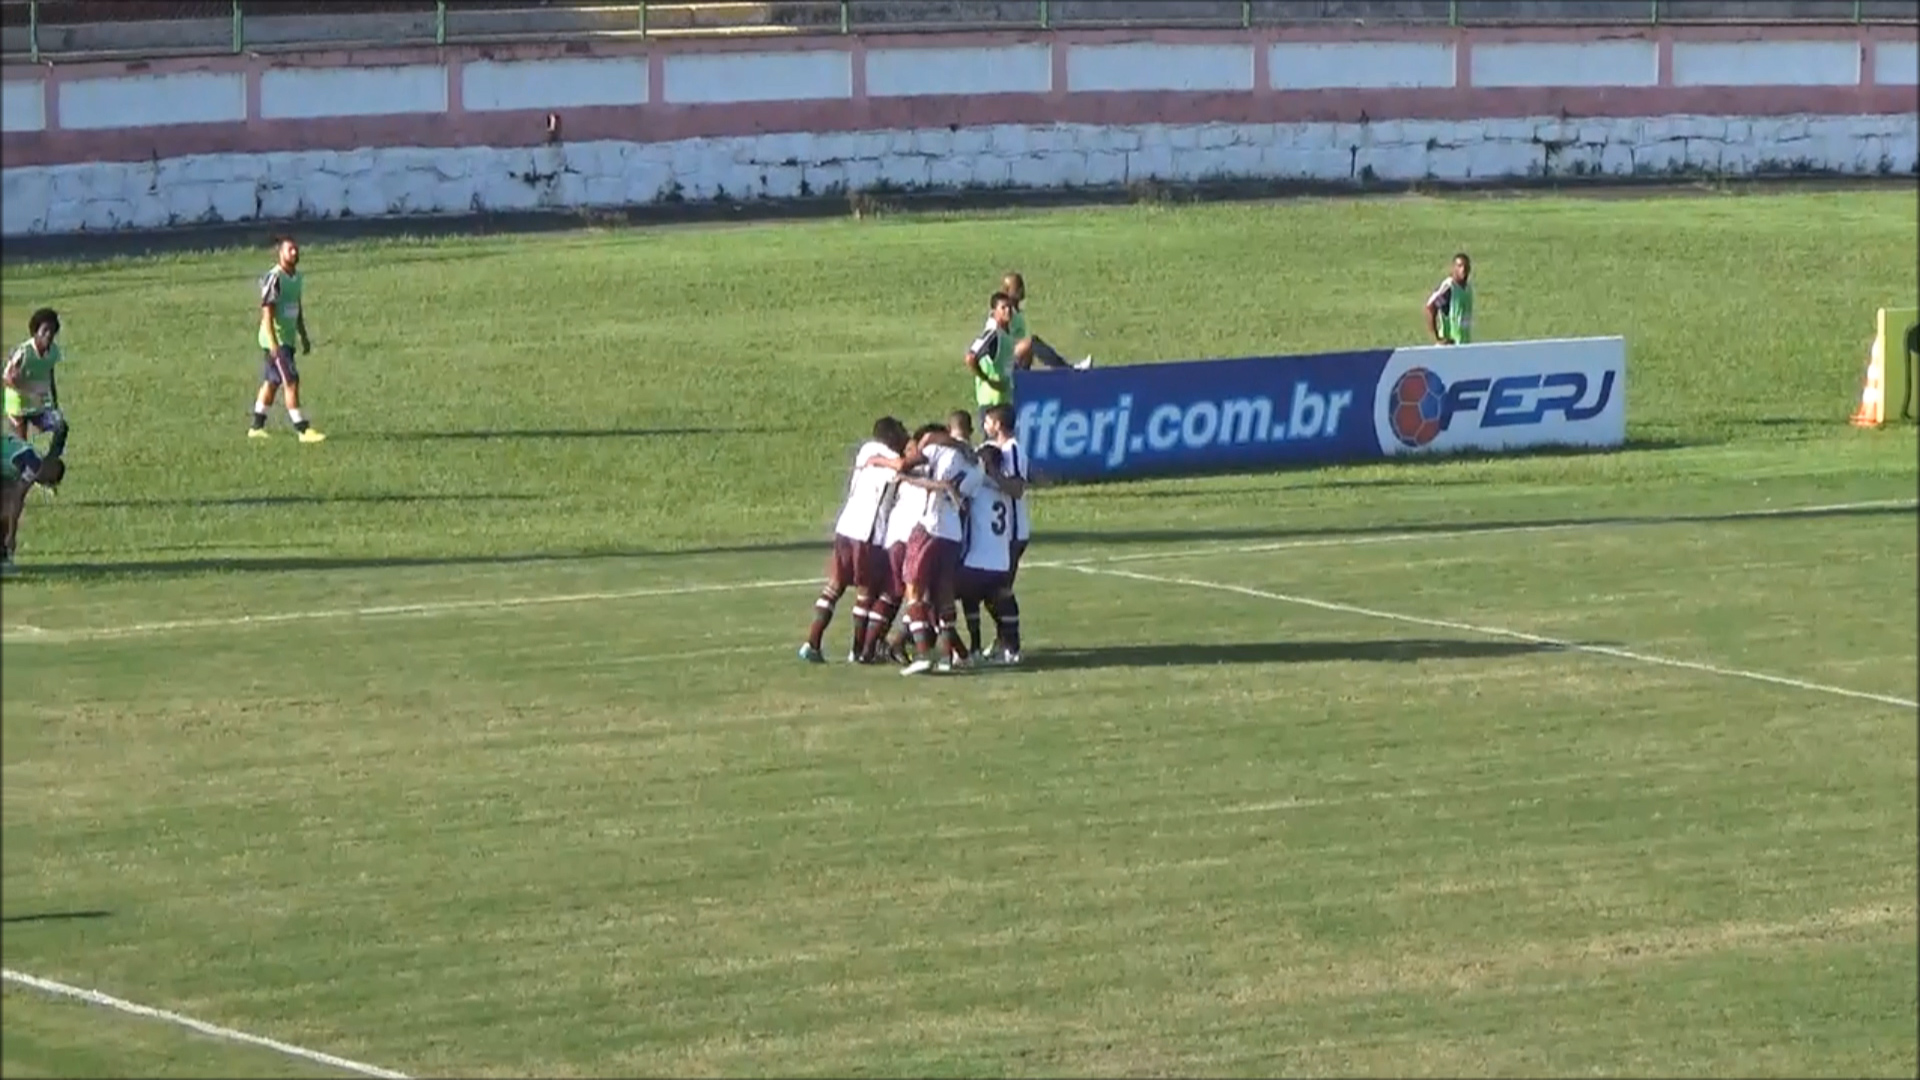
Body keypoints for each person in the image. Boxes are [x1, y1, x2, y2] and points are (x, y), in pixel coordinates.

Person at [800, 417, 910, 664]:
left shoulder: (867, 449)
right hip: (868, 532)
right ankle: (858, 650)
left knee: (835, 586)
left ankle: (812, 641)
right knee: (866, 592)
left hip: (846, 526)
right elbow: (901, 466)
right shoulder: (887, 455)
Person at [899, 424, 984, 676]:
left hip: (930, 526)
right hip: (952, 533)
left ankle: (924, 654)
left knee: (913, 589)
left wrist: (904, 474)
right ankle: (951, 656)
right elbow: (957, 492)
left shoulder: (940, 450)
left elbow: (917, 464)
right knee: (943, 596)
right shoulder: (976, 465)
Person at [249, 235, 326, 442]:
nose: (294, 253)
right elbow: (267, 313)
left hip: (288, 339)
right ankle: (303, 429)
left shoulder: (297, 278)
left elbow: (296, 307)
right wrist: (273, 344)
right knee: (291, 381)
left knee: (272, 382)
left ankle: (256, 427)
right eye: (290, 249)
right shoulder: (275, 278)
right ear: (280, 253)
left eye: (296, 249)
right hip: (277, 341)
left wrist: (303, 335)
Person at [955, 443, 1022, 665]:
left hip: (977, 559)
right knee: (1002, 597)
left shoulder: (978, 482)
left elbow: (957, 494)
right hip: (1001, 560)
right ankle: (1012, 649)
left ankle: (971, 648)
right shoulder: (1003, 487)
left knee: (960, 594)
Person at [980, 404, 1030, 660]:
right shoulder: (998, 450)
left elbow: (1017, 488)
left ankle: (1012, 646)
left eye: (988, 422)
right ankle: (1002, 640)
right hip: (1000, 533)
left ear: (998, 425)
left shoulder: (1012, 449)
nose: (985, 426)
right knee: (991, 589)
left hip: (1013, 533)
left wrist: (993, 474)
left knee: (1001, 590)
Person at [4, 307, 71, 479]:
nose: (48, 335)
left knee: (60, 426)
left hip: (37, 407)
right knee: (23, 453)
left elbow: (50, 375)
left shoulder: (53, 352)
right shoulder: (24, 352)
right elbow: (7, 378)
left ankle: (49, 463)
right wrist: (29, 391)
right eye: (44, 330)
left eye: (52, 330)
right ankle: (21, 482)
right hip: (17, 408)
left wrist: (54, 405)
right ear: (35, 332)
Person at [1002, 272, 1093, 372]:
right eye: (1017, 287)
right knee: (1031, 342)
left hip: (1014, 359)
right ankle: (1067, 369)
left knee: (1029, 348)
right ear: (1008, 291)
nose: (1022, 290)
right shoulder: (1005, 312)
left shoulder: (1017, 312)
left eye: (1021, 286)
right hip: (1005, 360)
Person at [2, 428, 61, 572]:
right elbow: (16, 501)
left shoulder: (32, 458)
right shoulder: (33, 466)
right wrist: (11, 535)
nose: (43, 485)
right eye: (48, 482)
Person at [965, 292, 1018, 432]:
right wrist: (988, 380)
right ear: (994, 312)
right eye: (1003, 308)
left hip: (1004, 400)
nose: (1008, 311)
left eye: (1009, 308)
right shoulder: (992, 334)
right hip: (991, 403)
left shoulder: (1005, 334)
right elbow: (970, 357)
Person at [1424, 252, 1474, 346]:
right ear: (1453, 268)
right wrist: (1438, 338)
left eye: (1466, 266)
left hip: (1464, 345)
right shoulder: (1449, 288)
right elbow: (1430, 308)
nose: (1463, 269)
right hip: (1449, 348)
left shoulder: (1468, 288)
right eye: (1459, 266)